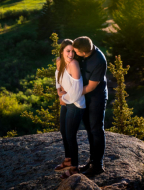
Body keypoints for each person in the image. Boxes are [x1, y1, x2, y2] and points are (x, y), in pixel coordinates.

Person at [73, 36, 108, 177]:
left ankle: (97, 165)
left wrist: (72, 94)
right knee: (88, 128)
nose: (74, 53)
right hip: (84, 96)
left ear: (84, 53)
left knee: (96, 129)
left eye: (76, 51)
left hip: (95, 97)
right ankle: (92, 161)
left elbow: (92, 86)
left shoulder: (99, 61)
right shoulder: (82, 49)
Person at [54, 39, 85, 179]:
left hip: (76, 103)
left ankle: (74, 168)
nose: (71, 54)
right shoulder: (59, 62)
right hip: (66, 101)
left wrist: (63, 97)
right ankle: (68, 160)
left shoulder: (74, 64)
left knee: (70, 134)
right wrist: (59, 92)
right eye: (68, 51)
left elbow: (77, 91)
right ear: (62, 51)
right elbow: (57, 77)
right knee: (63, 131)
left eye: (73, 51)